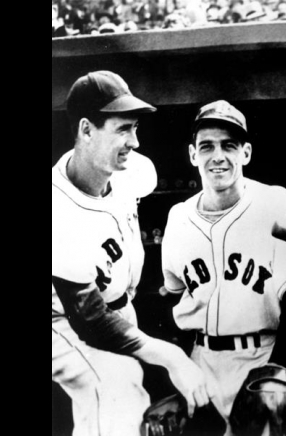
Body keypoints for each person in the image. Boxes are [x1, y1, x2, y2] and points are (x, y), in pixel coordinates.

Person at [52, 71, 216, 436]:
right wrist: (170, 356)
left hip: (119, 306)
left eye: (136, 128)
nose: (135, 142)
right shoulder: (57, 208)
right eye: (123, 129)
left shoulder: (134, 173)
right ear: (86, 129)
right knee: (114, 386)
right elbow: (88, 318)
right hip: (62, 317)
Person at [160, 100, 286, 434]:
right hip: (201, 363)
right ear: (193, 155)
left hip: (264, 358)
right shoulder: (178, 218)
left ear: (245, 153)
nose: (218, 156)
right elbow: (172, 298)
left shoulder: (275, 203)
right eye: (207, 146)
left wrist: (281, 375)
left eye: (228, 145)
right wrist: (172, 377)